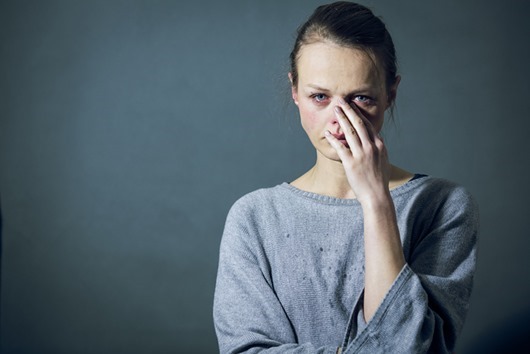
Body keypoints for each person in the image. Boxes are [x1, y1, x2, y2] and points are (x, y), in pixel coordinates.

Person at [213, 2, 478, 353]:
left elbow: (412, 346)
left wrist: (376, 201)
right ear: (295, 90)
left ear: (390, 95)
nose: (339, 122)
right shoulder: (254, 218)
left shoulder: (443, 206)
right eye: (319, 97)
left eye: (361, 98)